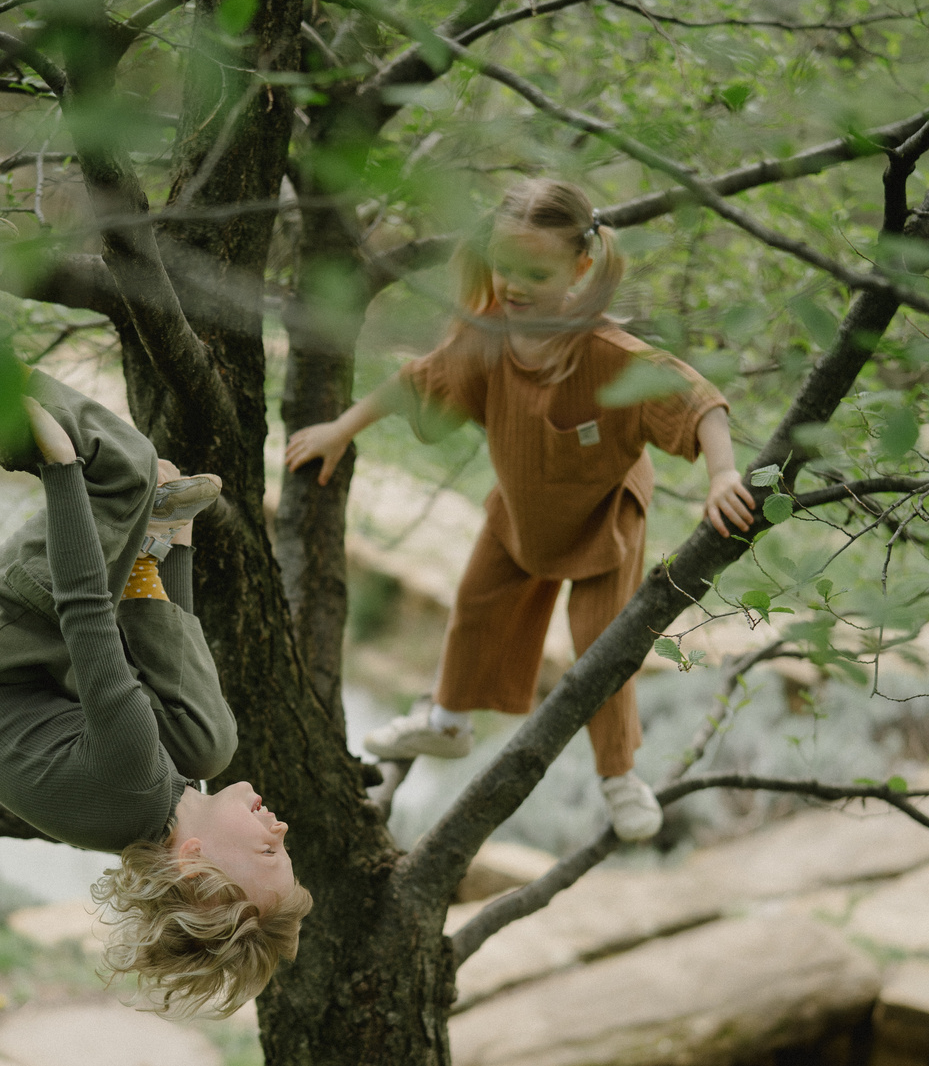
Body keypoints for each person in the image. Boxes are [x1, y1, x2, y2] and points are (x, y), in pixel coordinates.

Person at [0, 223, 311, 1014]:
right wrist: (174, 544)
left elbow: (86, 615)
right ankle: (149, 538)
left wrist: (60, 469)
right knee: (211, 738)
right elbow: (162, 667)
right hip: (40, 667)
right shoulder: (168, 793)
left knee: (121, 468)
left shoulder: (130, 783)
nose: (282, 831)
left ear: (193, 865)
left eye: (267, 852)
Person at [285, 178, 756, 843]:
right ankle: (447, 720)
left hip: (601, 524)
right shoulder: (489, 339)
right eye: (506, 266)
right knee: (476, 609)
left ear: (581, 268)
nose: (515, 284)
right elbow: (418, 381)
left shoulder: (609, 357)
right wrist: (341, 428)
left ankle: (619, 774)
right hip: (521, 512)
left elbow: (696, 401)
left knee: (603, 647)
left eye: (537, 271)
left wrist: (724, 473)